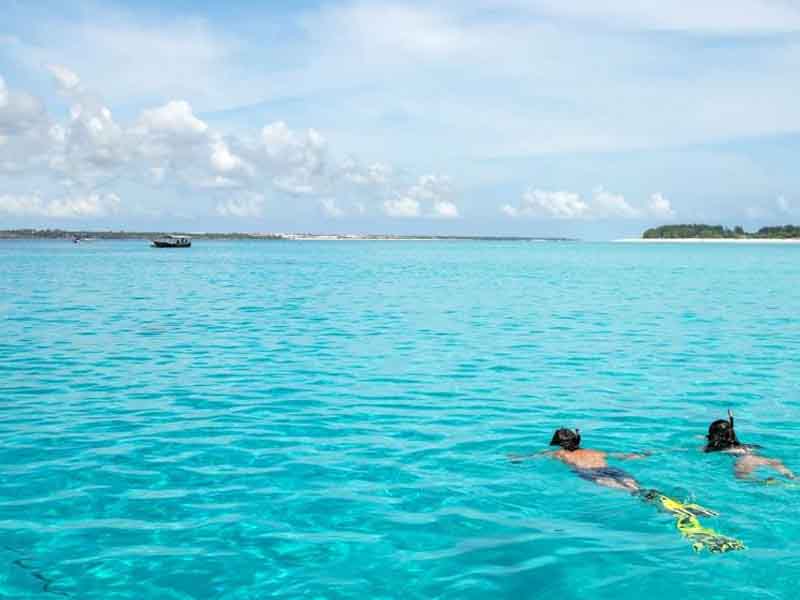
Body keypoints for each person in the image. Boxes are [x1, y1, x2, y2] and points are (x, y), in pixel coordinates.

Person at [510, 427, 745, 553]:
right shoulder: (596, 451)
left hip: (592, 475)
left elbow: (533, 456)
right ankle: (672, 504)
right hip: (614, 469)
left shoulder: (558, 454)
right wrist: (641, 455)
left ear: (559, 444)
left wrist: (516, 458)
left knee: (633, 494)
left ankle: (671, 511)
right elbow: (623, 456)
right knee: (636, 487)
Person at [704, 410, 796, 482]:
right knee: (776, 464)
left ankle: (763, 481)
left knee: (741, 477)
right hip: (755, 454)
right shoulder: (735, 441)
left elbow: (706, 449)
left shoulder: (717, 446)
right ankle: (793, 477)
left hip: (745, 460)